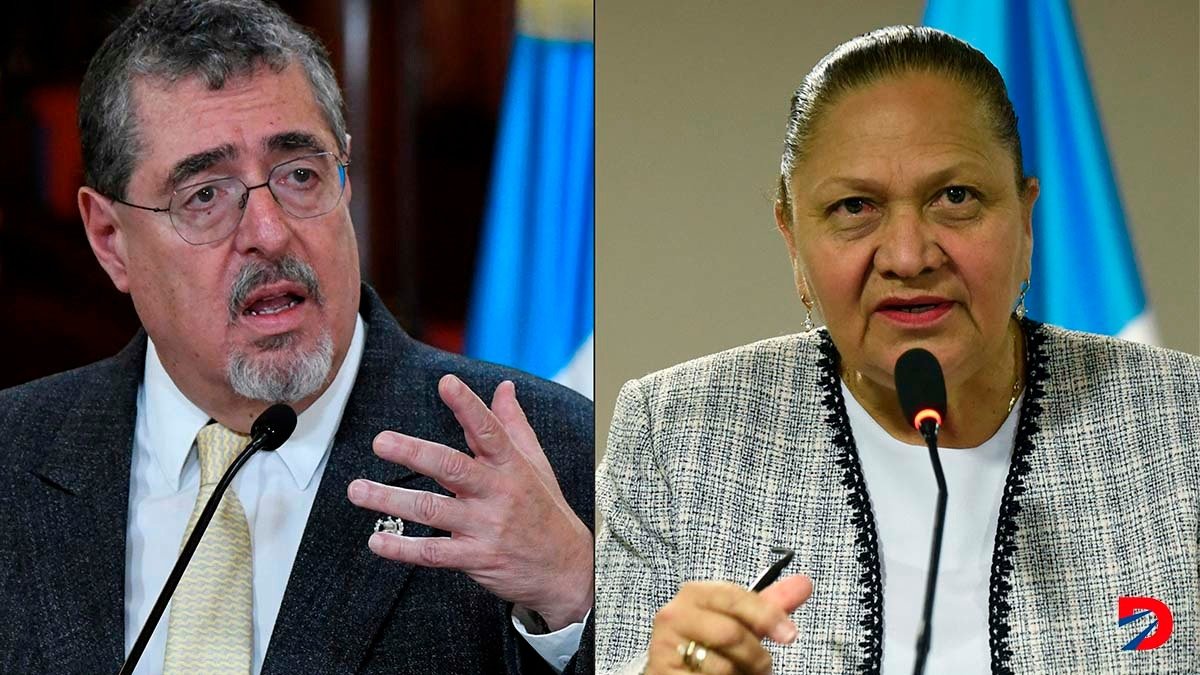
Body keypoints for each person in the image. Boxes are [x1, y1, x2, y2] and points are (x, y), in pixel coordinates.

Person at [0, 1, 594, 673]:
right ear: (110, 240)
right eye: (204, 195)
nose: (270, 232)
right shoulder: (13, 459)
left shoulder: (559, 457)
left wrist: (577, 593)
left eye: (300, 175)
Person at [596, 25, 1199, 675]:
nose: (909, 256)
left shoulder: (1180, 421)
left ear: (1025, 223)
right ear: (794, 240)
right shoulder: (676, 432)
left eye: (955, 197)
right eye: (855, 206)